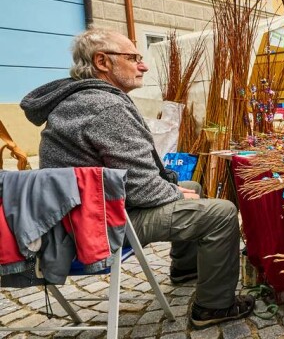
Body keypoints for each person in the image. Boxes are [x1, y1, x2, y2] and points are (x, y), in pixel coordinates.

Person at [20, 29, 254, 329]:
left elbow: (135, 175)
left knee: (191, 186)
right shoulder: (105, 107)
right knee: (219, 212)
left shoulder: (82, 99)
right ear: (103, 61)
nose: (142, 66)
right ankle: (214, 308)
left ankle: (185, 269)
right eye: (133, 58)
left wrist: (177, 190)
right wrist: (176, 194)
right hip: (93, 227)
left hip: (75, 214)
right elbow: (141, 187)